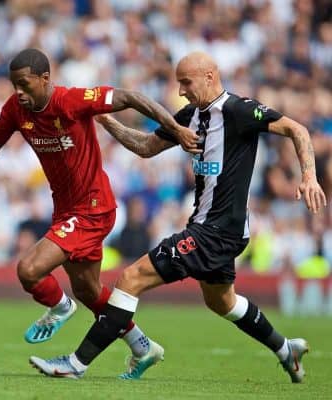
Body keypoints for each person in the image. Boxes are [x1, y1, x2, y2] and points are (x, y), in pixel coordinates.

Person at [29, 51, 327, 383]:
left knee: (131, 279)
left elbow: (297, 130)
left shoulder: (240, 110)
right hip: (209, 227)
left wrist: (309, 176)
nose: (181, 90)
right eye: (178, 83)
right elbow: (145, 146)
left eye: (186, 82)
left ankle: (76, 363)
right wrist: (108, 122)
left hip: (218, 230)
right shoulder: (189, 115)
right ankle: (287, 349)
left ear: (210, 77)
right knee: (221, 301)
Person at [0, 48, 198, 374]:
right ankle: (143, 346)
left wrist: (176, 130)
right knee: (89, 291)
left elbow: (133, 97)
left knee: (29, 270)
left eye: (24, 84)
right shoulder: (15, 109)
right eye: (14, 85)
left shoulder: (71, 101)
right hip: (66, 211)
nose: (18, 92)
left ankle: (59, 306)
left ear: (45, 78)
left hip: (93, 208)